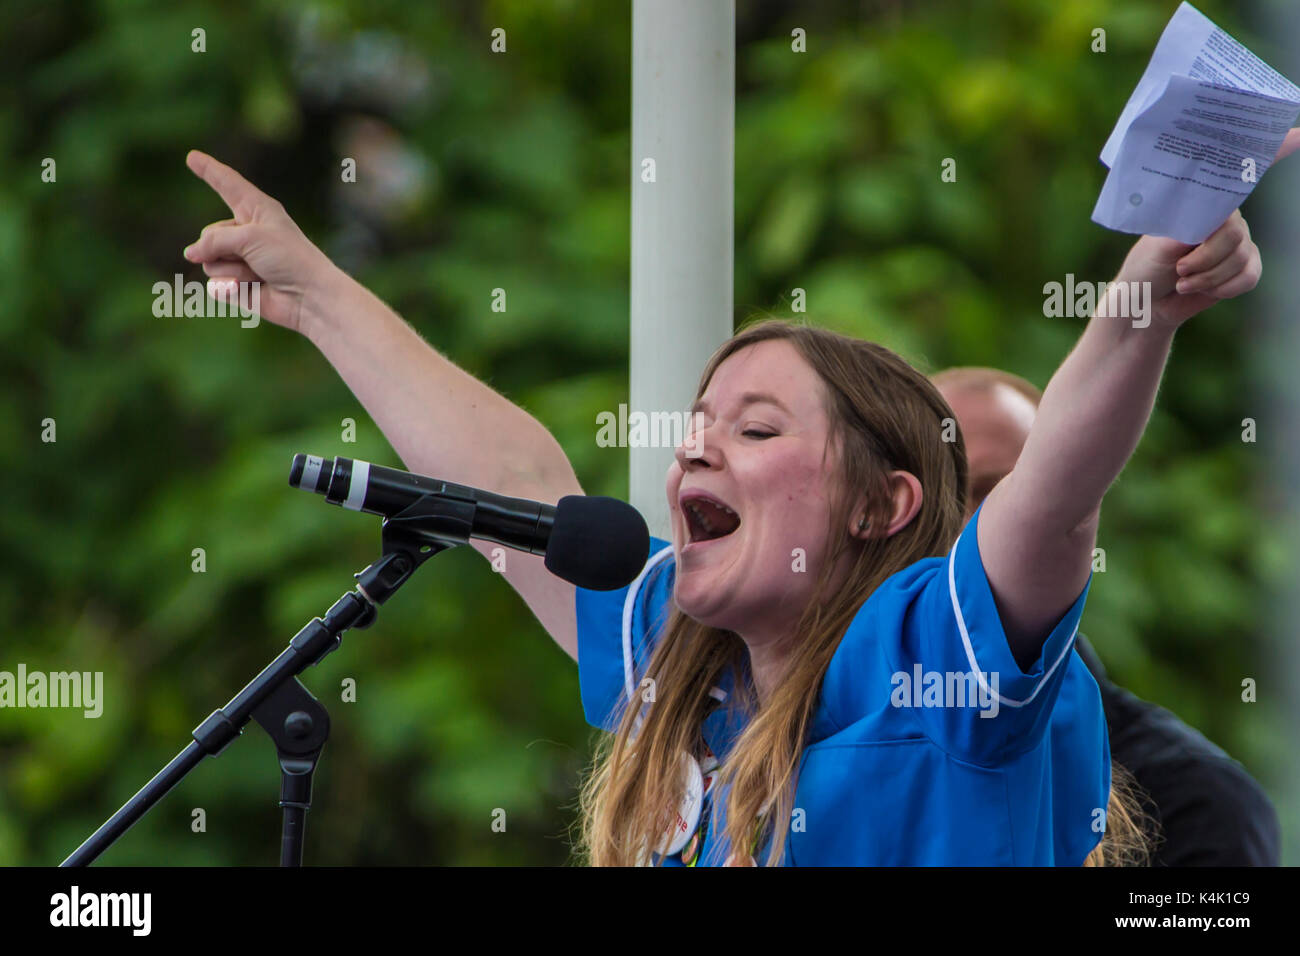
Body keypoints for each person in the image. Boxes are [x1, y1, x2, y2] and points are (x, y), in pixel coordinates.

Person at [179, 135, 1285, 864]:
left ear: (881, 504)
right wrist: (317, 293)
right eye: (697, 424)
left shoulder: (931, 665)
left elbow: (1049, 504)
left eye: (755, 428)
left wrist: (1139, 305)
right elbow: (515, 488)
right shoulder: (686, 663)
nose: (694, 447)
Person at [932, 367, 1282, 866]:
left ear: (1079, 525)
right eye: (932, 499)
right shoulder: (814, 750)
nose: (959, 530)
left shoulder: (1193, 803)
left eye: (1006, 498)